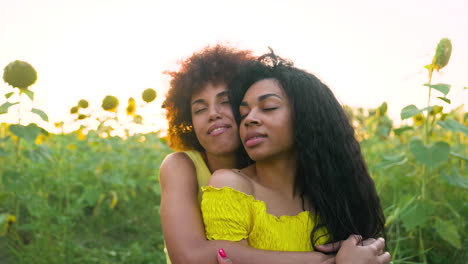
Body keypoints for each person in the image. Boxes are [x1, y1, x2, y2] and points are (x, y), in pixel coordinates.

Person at [160, 45, 390, 264]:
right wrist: (333, 260)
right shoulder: (186, 167)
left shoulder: (286, 170)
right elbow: (190, 256)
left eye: (227, 102)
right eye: (199, 109)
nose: (213, 114)